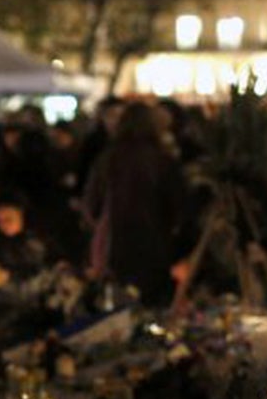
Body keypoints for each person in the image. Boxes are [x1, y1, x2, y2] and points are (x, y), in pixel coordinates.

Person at [81, 101, 190, 306]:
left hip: (116, 246)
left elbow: (91, 205)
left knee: (120, 309)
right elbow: (179, 207)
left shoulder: (107, 159)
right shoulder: (162, 160)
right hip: (155, 245)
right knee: (154, 307)